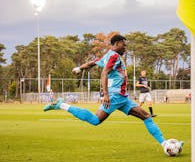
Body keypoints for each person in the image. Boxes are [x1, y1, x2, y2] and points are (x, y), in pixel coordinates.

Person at [44, 34, 183, 154]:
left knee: (146, 116)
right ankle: (61, 105)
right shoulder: (114, 56)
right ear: (116, 43)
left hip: (122, 98)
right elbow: (104, 73)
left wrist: (79, 68)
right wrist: (106, 95)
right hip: (114, 96)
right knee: (95, 120)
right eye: (124, 44)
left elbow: (93, 63)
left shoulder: (108, 56)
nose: (125, 47)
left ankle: (165, 144)